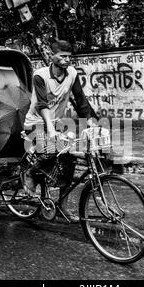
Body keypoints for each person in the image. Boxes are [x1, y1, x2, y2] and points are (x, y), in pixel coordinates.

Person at [23, 40, 95, 222]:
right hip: (36, 122)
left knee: (69, 160)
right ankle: (30, 173)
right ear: (52, 56)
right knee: (51, 150)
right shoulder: (40, 76)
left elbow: (80, 99)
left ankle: (62, 204)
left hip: (57, 123)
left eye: (69, 57)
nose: (66, 60)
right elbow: (42, 104)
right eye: (62, 56)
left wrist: (92, 121)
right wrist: (50, 128)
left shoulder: (71, 74)